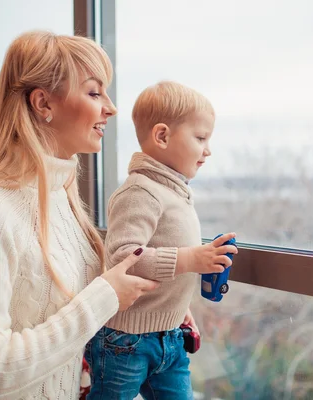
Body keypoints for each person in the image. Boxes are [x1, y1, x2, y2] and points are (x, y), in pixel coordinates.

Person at [0, 31, 158, 400]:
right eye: (94, 92)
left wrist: (161, 311)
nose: (110, 108)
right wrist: (106, 296)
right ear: (43, 103)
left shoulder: (64, 202)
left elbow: (71, 316)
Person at [85, 81, 237, 399]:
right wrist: (191, 259)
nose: (208, 150)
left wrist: (178, 307)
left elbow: (165, 258)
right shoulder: (140, 191)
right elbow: (122, 256)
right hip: (125, 341)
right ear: (163, 136)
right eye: (200, 138)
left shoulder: (173, 192)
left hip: (169, 337)